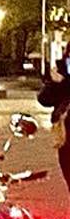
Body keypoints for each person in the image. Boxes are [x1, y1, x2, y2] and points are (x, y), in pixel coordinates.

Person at [37, 53, 70, 195]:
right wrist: (54, 83)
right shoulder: (62, 69)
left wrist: (64, 82)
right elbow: (44, 99)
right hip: (65, 133)